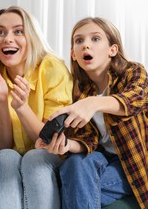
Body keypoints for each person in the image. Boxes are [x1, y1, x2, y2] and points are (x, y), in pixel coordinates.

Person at [44, 17, 148, 208]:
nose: (86, 46)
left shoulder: (134, 72)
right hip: (103, 157)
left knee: (71, 187)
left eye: (95, 39)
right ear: (73, 54)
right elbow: (88, 141)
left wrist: (94, 104)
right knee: (75, 164)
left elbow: (137, 98)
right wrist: (67, 144)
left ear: (112, 50)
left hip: (134, 160)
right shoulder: (79, 91)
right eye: (79, 40)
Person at [0, 6, 73, 209]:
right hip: (12, 156)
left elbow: (48, 140)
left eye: (18, 31)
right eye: (0, 32)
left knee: (34, 158)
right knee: (4, 157)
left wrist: (21, 107)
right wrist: (3, 101)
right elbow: (3, 145)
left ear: (31, 37)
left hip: (49, 153)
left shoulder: (51, 68)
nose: (7, 38)